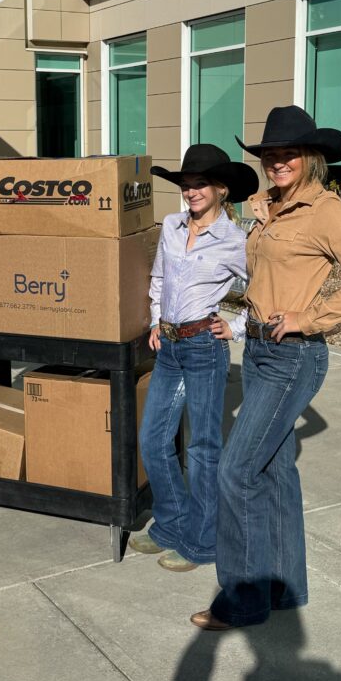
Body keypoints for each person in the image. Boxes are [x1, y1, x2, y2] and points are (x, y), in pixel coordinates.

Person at [190, 106, 341, 630]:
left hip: (293, 355)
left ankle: (243, 599)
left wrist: (308, 316)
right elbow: (261, 268)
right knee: (275, 472)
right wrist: (258, 210)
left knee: (235, 471)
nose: (277, 163)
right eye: (270, 155)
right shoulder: (270, 207)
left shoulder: (324, 211)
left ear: (310, 158)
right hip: (257, 350)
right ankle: (284, 589)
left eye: (287, 155)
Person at [129, 145, 258, 571]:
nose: (191, 191)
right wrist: (154, 321)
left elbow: (264, 289)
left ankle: (204, 541)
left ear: (221, 189)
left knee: (203, 448)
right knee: (153, 439)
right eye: (186, 185)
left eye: (200, 184)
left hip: (204, 347)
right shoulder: (170, 225)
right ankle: (171, 524)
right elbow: (160, 277)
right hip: (168, 347)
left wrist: (237, 326)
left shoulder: (235, 240)